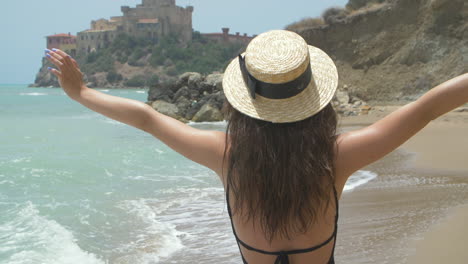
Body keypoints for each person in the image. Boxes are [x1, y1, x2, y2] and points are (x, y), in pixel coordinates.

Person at [45, 30, 468, 264]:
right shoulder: (335, 158)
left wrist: (80, 93)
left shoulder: (226, 156)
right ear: (314, 98)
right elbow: (428, 107)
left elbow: (147, 118)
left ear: (243, 102)